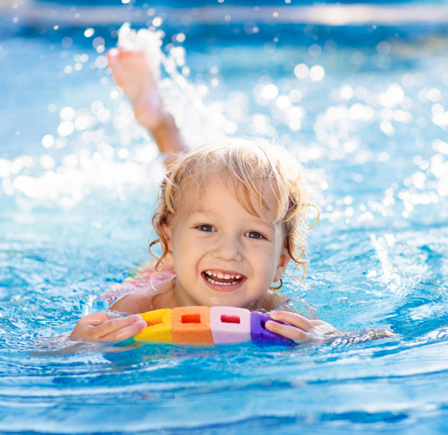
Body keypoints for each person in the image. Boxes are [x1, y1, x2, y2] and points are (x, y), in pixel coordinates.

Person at [69, 47, 337, 344]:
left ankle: (160, 122)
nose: (228, 252)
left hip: (191, 259)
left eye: (254, 234)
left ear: (281, 263)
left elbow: (372, 338)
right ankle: (159, 121)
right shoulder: (136, 307)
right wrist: (79, 343)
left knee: (197, 195)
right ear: (167, 245)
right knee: (187, 188)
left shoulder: (284, 314)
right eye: (206, 228)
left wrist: (325, 337)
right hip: (160, 275)